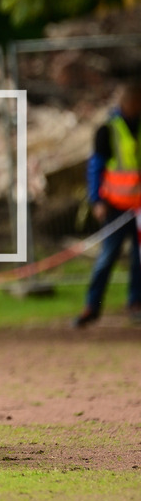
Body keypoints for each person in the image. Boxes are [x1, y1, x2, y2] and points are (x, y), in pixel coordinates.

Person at [74, 82, 141, 328]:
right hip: (115, 207)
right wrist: (96, 199)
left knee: (139, 258)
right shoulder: (108, 130)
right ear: (124, 103)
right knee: (107, 256)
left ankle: (136, 304)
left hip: (139, 208)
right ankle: (92, 306)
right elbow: (95, 167)